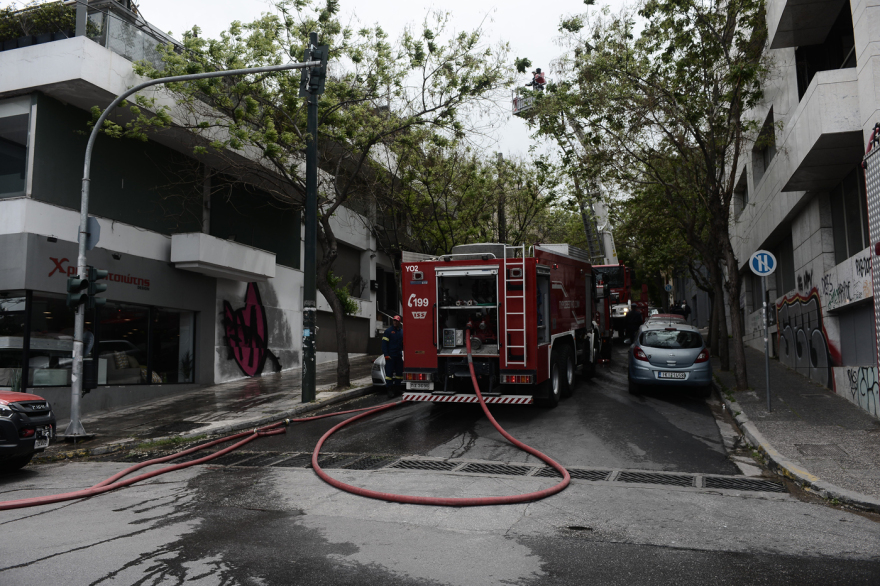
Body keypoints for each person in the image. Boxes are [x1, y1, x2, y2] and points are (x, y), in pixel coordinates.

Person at [381, 315, 404, 396]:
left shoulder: (402, 332)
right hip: (390, 356)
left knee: (399, 373)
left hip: (398, 356)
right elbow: (384, 345)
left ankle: (398, 388)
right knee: (389, 374)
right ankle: (390, 389)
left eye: (397, 321)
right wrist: (386, 355)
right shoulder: (388, 331)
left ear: (399, 322)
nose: (395, 322)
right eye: (394, 320)